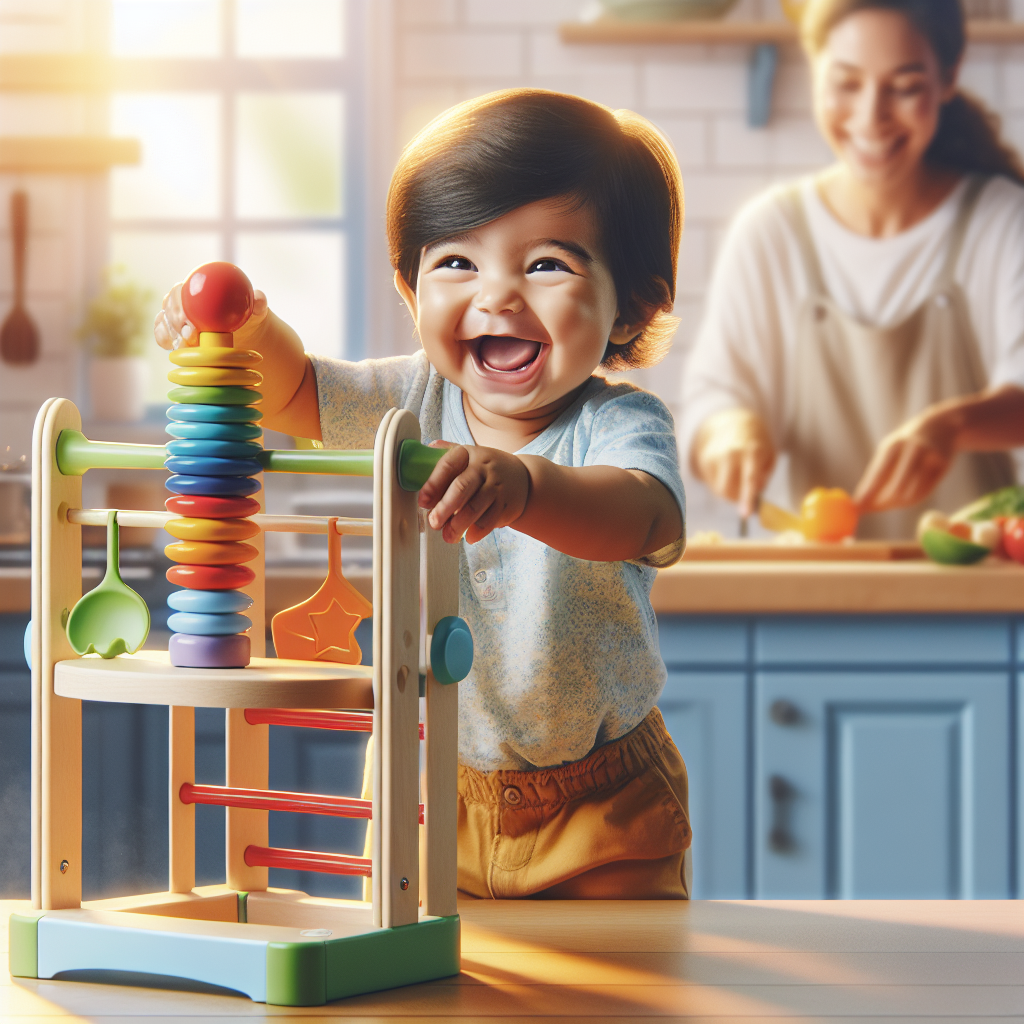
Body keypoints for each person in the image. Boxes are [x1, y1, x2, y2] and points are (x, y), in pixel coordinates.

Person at [155, 89, 693, 899]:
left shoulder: (620, 423)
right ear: (412, 293)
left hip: (604, 803)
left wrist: (525, 486)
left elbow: (639, 512)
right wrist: (243, 330)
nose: (497, 296)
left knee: (617, 993)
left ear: (635, 305)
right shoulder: (404, 403)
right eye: (456, 262)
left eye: (547, 263)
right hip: (427, 786)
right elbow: (294, 391)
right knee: (423, 990)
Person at [681, 0, 1024, 538]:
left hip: (977, 584)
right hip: (818, 587)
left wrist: (951, 425)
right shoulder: (770, 230)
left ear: (949, 77)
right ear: (814, 67)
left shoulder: (1002, 219)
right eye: (846, 83)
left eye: (905, 87)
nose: (871, 117)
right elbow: (716, 395)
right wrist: (730, 432)